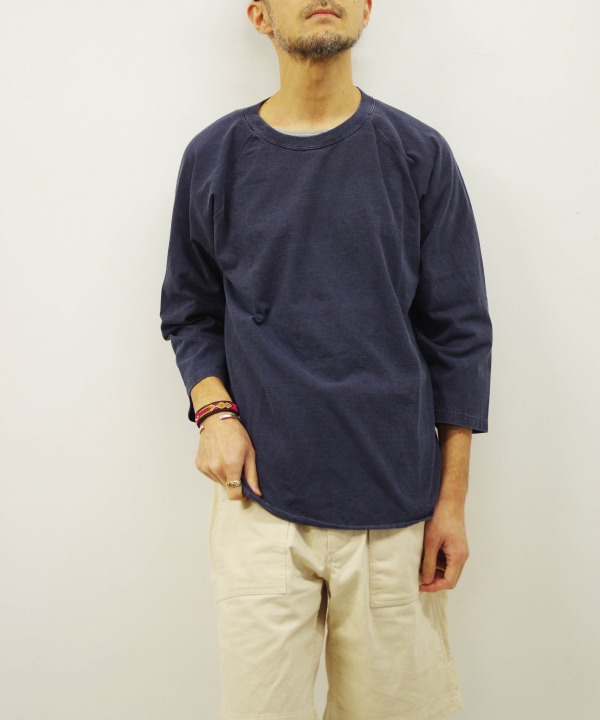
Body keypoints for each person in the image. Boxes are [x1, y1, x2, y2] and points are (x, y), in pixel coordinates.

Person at [159, 1, 493, 718]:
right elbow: (189, 310)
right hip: (259, 504)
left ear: (367, 9)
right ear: (259, 15)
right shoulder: (215, 156)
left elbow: (460, 334)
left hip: (395, 508)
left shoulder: (418, 154)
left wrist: (452, 503)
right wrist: (214, 412)